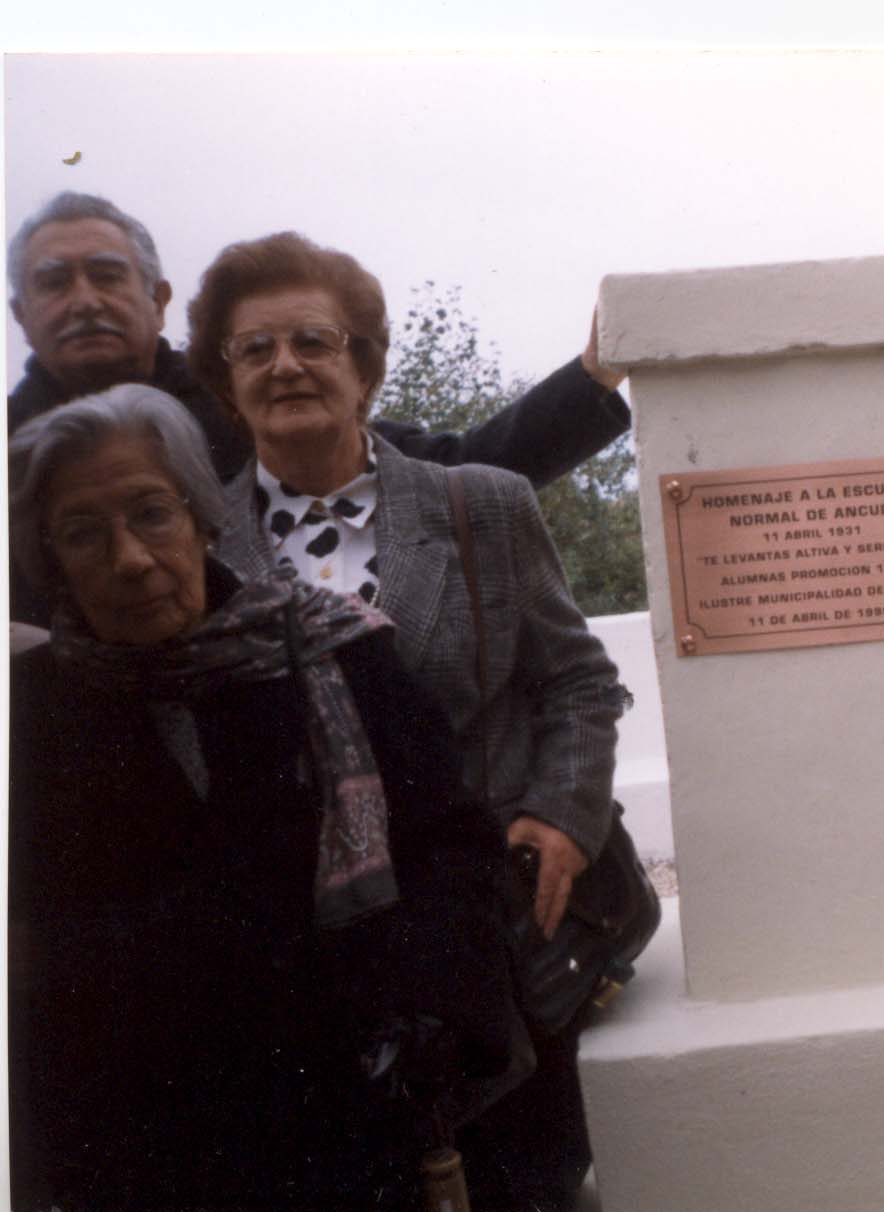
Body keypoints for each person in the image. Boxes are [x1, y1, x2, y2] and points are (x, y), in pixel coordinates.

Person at [194, 230, 627, 1211]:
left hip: (493, 945)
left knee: (531, 1183)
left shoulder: (485, 507)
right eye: (252, 348)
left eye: (313, 338)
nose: (285, 364)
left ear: (366, 365)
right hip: (308, 976)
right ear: (226, 385)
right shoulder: (191, 543)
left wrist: (563, 813)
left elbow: (579, 684)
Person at [8, 385, 523, 1210]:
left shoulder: (336, 653)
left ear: (200, 516)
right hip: (146, 1153)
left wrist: (436, 1012)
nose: (131, 558)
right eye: (82, 533)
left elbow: (451, 847)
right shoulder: (27, 719)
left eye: (150, 512)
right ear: (49, 558)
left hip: (353, 1128)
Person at [8, 190, 631, 625]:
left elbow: (457, 471)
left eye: (107, 275)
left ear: (158, 297)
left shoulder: (243, 403)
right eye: (55, 281)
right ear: (20, 313)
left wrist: (592, 376)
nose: (83, 299)